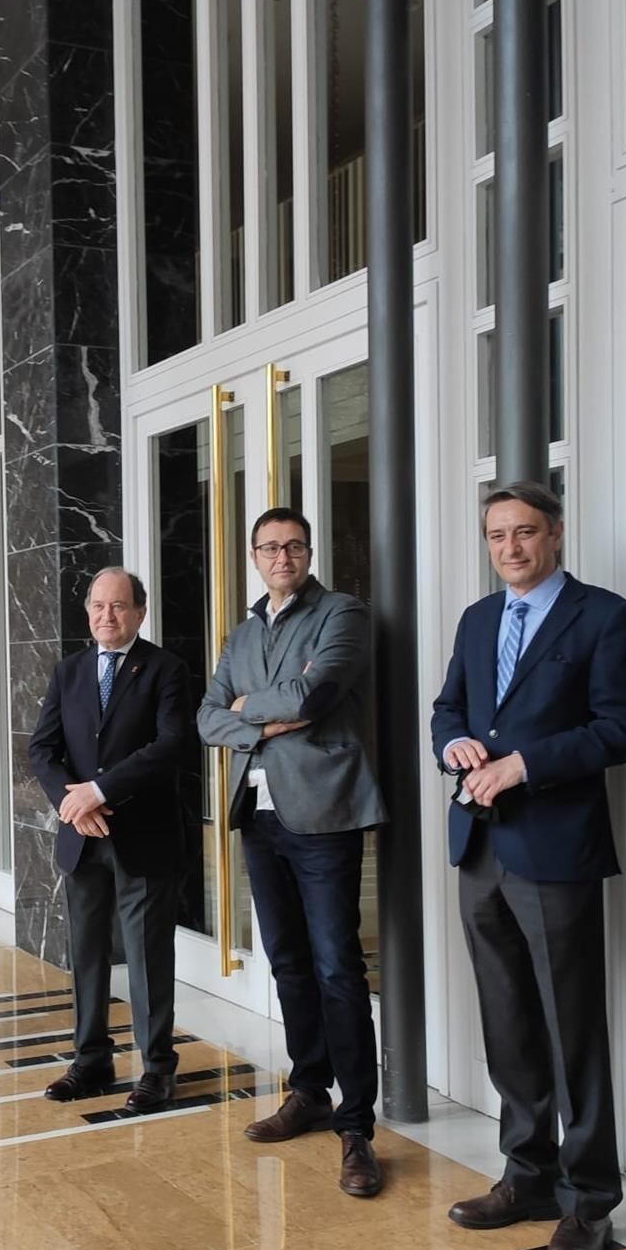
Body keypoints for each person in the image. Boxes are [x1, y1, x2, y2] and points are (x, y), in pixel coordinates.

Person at [430, 480, 626, 1250]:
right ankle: (528, 1176)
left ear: (555, 534)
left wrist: (526, 765)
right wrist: (452, 744)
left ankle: (591, 1202)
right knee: (508, 1023)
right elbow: (448, 708)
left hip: (555, 850)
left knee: (571, 1028)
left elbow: (624, 727)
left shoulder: (605, 616)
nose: (510, 549)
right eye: (496, 536)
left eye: (525, 533)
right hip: (480, 847)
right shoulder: (479, 618)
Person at [197, 508, 386, 1198]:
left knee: (338, 966)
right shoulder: (241, 634)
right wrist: (266, 713)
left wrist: (255, 708)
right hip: (261, 818)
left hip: (325, 811)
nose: (283, 557)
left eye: (294, 546)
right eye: (270, 548)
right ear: (254, 556)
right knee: (288, 963)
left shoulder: (343, 613)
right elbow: (206, 715)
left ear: (309, 551)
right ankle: (309, 1089)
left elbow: (316, 693)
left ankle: (357, 1126)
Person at [29, 568, 193, 1113]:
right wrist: (71, 804)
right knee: (88, 952)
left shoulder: (166, 669)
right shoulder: (70, 670)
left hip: (143, 836)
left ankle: (156, 1069)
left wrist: (99, 791)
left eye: (119, 606)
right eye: (98, 606)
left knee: (147, 955)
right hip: (83, 838)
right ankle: (91, 1059)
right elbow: (42, 750)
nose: (107, 616)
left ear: (140, 612)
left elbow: (170, 745)